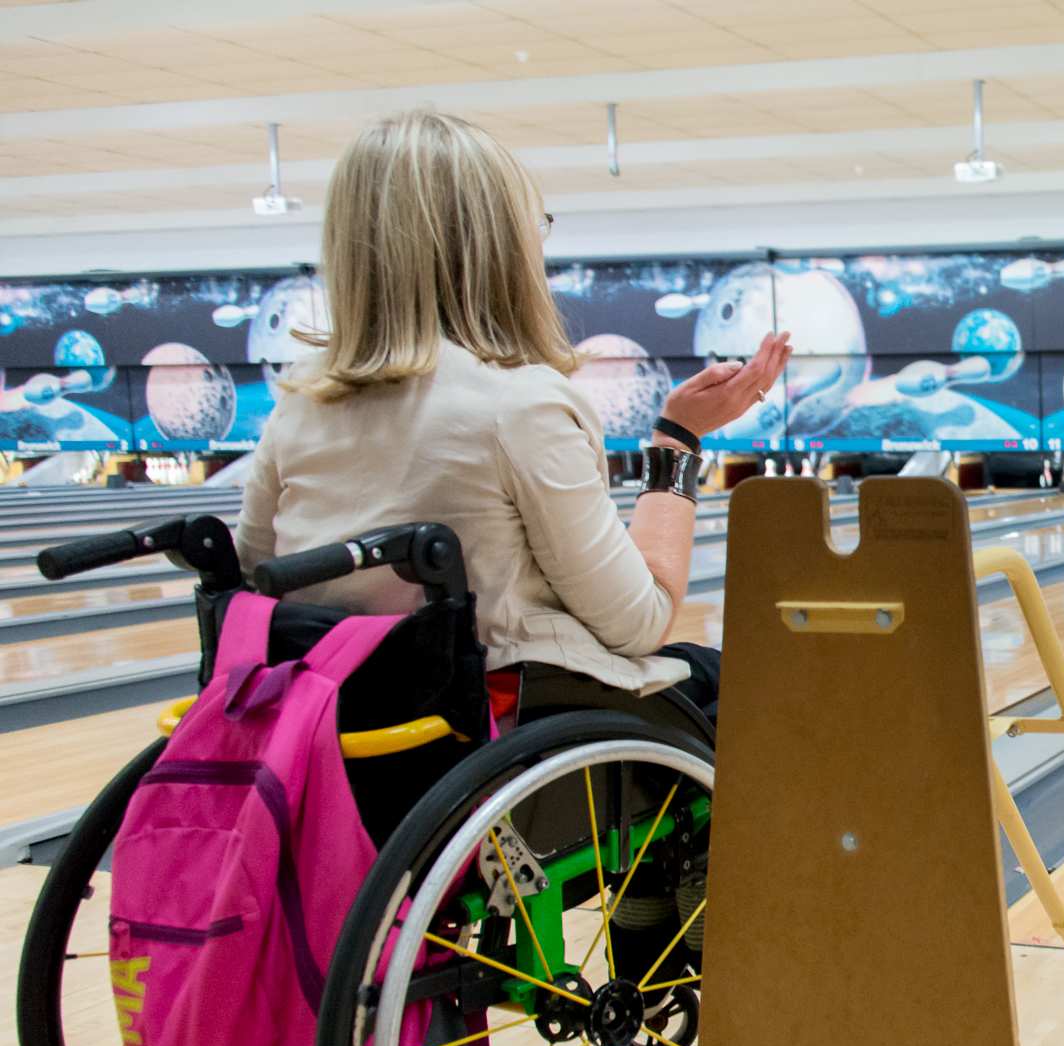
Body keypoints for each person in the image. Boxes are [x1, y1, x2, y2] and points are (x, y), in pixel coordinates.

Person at [236, 107, 790, 730]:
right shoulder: (520, 405)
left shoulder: (299, 403)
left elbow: (257, 579)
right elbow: (638, 622)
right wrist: (678, 441)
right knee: (758, 682)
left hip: (340, 724)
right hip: (495, 726)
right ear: (499, 246)